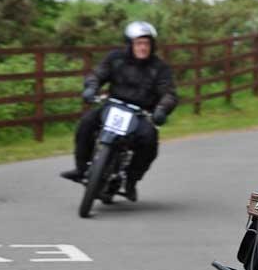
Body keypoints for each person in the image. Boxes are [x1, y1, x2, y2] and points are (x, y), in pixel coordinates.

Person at [60, 21, 178, 201]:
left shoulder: (160, 68)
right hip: (112, 105)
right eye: (138, 43)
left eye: (146, 43)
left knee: (150, 140)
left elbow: (168, 93)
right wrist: (91, 87)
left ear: (152, 45)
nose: (143, 47)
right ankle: (81, 168)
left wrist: (162, 109)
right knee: (86, 123)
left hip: (140, 113)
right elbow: (98, 73)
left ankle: (131, 181)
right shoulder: (115, 58)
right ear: (130, 44)